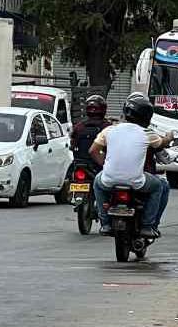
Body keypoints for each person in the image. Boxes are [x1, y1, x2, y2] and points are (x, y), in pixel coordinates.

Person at [90, 94, 171, 238]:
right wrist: (169, 137)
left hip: (108, 179)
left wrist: (105, 165)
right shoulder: (147, 133)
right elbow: (161, 144)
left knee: (97, 183)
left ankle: (106, 223)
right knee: (160, 185)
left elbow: (93, 151)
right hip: (137, 181)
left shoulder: (109, 130)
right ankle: (147, 226)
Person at [70, 95, 110, 168]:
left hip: (81, 164)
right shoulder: (109, 128)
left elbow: (72, 146)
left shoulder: (79, 127)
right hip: (101, 165)